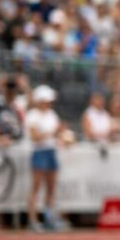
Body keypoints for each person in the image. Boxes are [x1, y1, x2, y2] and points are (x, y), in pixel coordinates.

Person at [25, 85, 70, 231]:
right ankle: (33, 220)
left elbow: (55, 135)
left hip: (51, 151)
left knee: (51, 188)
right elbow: (35, 137)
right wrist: (54, 132)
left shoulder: (52, 114)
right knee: (36, 187)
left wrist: (64, 137)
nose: (50, 102)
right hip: (39, 152)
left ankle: (49, 219)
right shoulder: (32, 115)